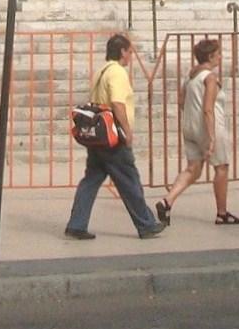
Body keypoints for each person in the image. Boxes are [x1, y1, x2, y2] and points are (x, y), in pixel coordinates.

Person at [64, 32, 166, 240]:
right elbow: (118, 103)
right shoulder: (117, 73)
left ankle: (77, 223)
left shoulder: (100, 71)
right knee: (129, 180)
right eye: (129, 51)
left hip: (97, 136)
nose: (131, 56)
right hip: (113, 136)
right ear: (122, 52)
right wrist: (127, 131)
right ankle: (146, 224)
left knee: (91, 180)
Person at [155, 37, 239, 225]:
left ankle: (167, 201)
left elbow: (181, 102)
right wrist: (210, 137)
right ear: (210, 56)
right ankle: (222, 212)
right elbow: (208, 108)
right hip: (209, 126)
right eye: (218, 54)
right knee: (221, 167)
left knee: (193, 169)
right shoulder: (210, 78)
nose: (220, 57)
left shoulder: (190, 77)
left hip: (189, 126)